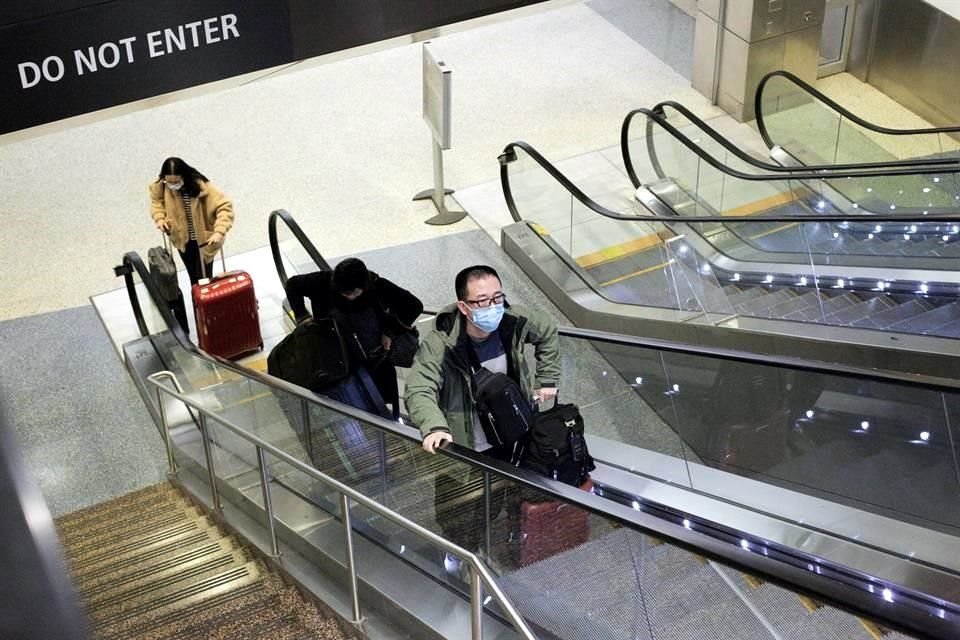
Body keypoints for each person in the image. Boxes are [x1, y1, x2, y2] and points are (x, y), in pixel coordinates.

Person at [404, 264, 560, 573]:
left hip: (509, 435)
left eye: (498, 297)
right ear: (464, 307)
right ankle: (457, 551)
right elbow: (419, 387)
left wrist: (547, 379)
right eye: (482, 300)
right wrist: (434, 426)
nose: (493, 306)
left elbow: (547, 331)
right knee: (457, 509)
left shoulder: (514, 322)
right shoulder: (442, 344)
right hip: (466, 441)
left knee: (496, 498)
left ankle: (484, 544)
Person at [285, 258, 423, 417]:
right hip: (332, 356)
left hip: (373, 360)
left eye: (352, 293)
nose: (347, 297)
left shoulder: (377, 286)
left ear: (363, 286)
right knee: (339, 400)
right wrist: (302, 317)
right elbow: (292, 284)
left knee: (377, 400)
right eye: (342, 292)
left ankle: (383, 421)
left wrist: (389, 332)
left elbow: (414, 305)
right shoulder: (324, 281)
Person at [149, 157, 234, 286]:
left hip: (204, 240)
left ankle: (205, 297)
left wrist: (219, 231)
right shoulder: (161, 186)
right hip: (182, 240)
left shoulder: (201, 187)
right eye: (169, 181)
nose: (173, 185)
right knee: (193, 276)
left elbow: (225, 207)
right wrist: (160, 218)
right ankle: (198, 297)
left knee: (204, 277)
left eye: (176, 181)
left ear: (184, 176)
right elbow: (156, 202)